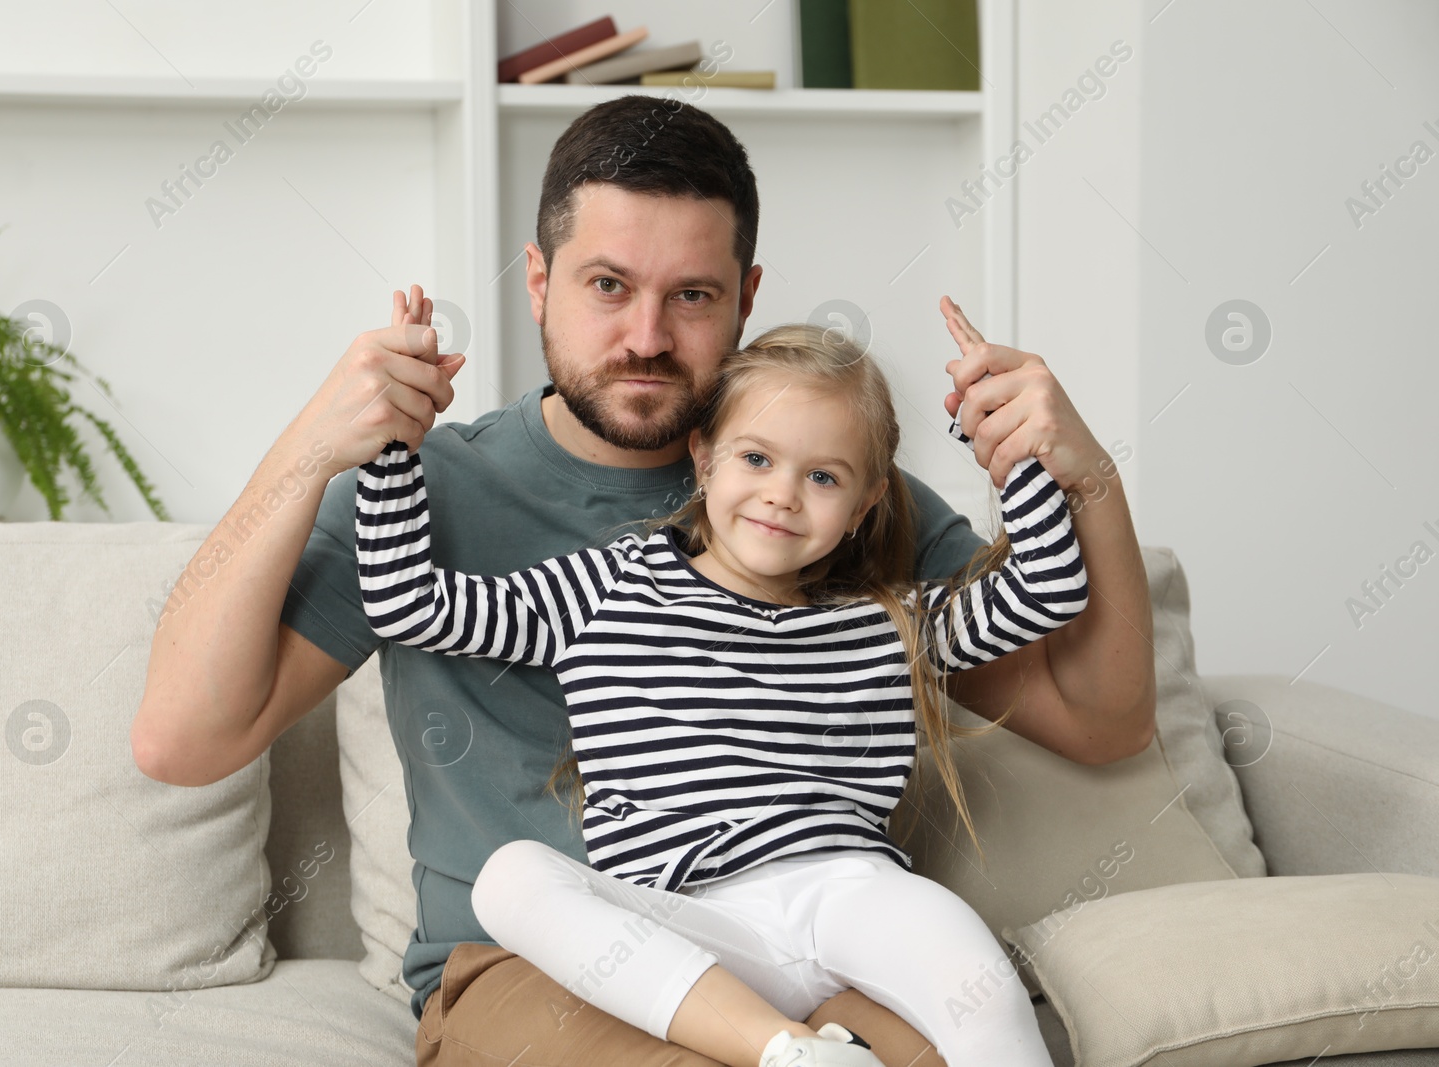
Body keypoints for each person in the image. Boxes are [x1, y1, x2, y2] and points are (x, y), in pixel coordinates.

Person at [131, 94, 1157, 1067]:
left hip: (823, 943)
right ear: (538, 281)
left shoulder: (824, 491)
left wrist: (1082, 473)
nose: (647, 338)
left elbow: (1102, 720)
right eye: (608, 285)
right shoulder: (441, 486)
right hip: (531, 970)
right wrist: (313, 448)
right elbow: (181, 739)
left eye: (694, 296)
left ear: (747, 298)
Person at [353, 316, 1082, 1067]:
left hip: (849, 896)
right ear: (704, 459)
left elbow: (1050, 589)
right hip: (688, 928)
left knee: (980, 981)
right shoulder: (610, 587)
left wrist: (1010, 451)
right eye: (757, 458)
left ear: (864, 506)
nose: (783, 495)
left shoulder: (888, 620)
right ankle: (792, 1051)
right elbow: (408, 602)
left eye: (823, 476)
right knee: (511, 880)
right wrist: (394, 447)